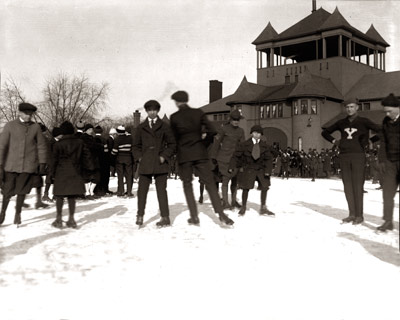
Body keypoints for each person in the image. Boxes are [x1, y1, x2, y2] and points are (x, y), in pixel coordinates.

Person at [169, 90, 234, 226]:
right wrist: (200, 142)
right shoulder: (198, 113)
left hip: (185, 155)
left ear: (176, 102)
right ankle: (221, 214)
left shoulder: (174, 117)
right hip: (200, 153)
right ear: (187, 100)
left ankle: (194, 216)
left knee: (188, 185)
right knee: (210, 183)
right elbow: (213, 130)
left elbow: (173, 138)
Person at [321, 98, 381, 225]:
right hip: (344, 156)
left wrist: (371, 141)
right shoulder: (341, 122)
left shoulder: (364, 121)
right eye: (347, 107)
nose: (349, 109)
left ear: (357, 107)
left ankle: (359, 215)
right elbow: (325, 132)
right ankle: (351, 214)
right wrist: (335, 141)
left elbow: (382, 131)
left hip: (358, 156)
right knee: (347, 186)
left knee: (358, 186)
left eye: (352, 107)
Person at [0, 102, 47, 226]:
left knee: (22, 191)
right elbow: (2, 146)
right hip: (11, 165)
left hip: (28, 166)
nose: (28, 116)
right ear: (19, 112)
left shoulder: (35, 127)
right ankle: (2, 212)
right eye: (26, 114)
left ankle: (18, 213)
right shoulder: (10, 126)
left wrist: (42, 162)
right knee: (7, 191)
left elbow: (41, 146)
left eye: (30, 114)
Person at [132, 100, 176, 227]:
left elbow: (173, 144)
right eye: (149, 110)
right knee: (142, 191)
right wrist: (140, 158)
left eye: (154, 110)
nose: (152, 112)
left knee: (161, 191)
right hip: (145, 163)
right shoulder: (140, 127)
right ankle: (140, 215)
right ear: (146, 111)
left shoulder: (165, 126)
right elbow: (135, 146)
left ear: (158, 111)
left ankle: (165, 217)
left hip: (160, 163)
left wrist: (164, 156)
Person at [50, 121, 93, 228]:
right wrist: (90, 169)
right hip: (75, 171)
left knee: (59, 196)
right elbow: (87, 157)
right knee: (71, 196)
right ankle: (71, 219)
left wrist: (51, 173)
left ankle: (59, 219)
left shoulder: (58, 144)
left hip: (61, 172)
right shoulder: (80, 142)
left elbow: (53, 161)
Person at [229, 125, 275, 216]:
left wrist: (268, 171)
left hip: (261, 169)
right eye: (254, 132)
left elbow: (268, 159)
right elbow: (236, 156)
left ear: (261, 135)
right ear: (251, 133)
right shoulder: (244, 145)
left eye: (259, 133)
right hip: (249, 169)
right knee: (246, 188)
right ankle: (243, 207)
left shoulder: (265, 146)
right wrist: (232, 166)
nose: (256, 135)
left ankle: (263, 207)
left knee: (265, 187)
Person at [210, 109, 245, 209]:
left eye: (238, 119)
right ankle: (225, 202)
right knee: (226, 180)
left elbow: (242, 145)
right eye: (234, 119)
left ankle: (234, 202)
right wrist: (213, 156)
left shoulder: (241, 131)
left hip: (236, 159)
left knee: (235, 181)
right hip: (224, 159)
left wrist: (243, 158)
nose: (236, 121)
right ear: (230, 119)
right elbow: (216, 143)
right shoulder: (223, 129)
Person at [377, 93, 400, 232]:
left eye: (389, 111)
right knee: (387, 192)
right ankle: (388, 221)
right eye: (385, 111)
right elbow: (383, 141)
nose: (387, 114)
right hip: (391, 162)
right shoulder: (386, 121)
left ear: (398, 108)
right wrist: (382, 160)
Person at [111, 125, 134, 197]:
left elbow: (114, 151)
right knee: (129, 175)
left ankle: (121, 191)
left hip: (119, 159)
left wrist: (112, 155)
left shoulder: (117, 139)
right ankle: (129, 191)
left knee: (120, 176)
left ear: (118, 132)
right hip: (129, 158)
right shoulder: (130, 138)